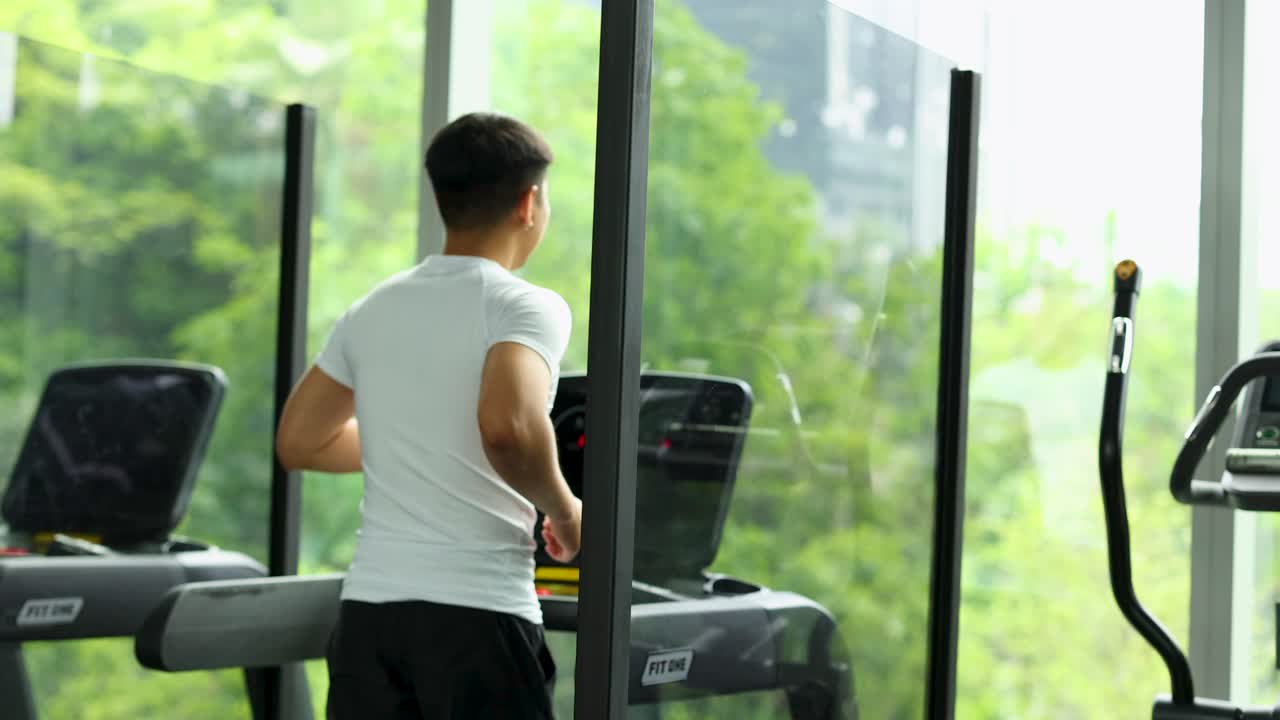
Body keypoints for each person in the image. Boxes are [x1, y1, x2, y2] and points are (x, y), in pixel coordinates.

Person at [275, 112, 581, 720]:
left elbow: (301, 441)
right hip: (479, 620)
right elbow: (510, 429)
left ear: (443, 199)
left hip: (369, 623)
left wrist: (411, 441)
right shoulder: (525, 306)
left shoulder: (374, 308)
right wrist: (566, 510)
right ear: (529, 203)